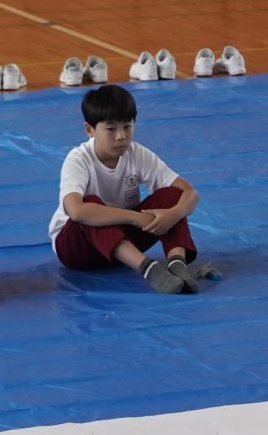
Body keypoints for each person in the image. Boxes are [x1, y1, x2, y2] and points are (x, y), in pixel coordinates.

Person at [51, 82, 211, 293]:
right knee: (90, 206)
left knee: (172, 195)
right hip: (78, 250)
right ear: (90, 129)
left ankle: (176, 264)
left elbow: (190, 193)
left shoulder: (137, 154)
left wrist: (173, 214)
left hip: (123, 246)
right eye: (111, 129)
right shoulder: (78, 159)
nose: (121, 136)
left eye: (127, 126)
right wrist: (134, 217)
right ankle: (149, 269)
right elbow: (76, 210)